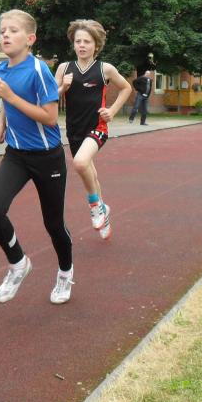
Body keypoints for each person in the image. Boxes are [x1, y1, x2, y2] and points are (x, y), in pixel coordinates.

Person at [0, 9, 74, 305]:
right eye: (2, 31)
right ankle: (18, 263)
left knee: (54, 224)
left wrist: (11, 97)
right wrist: (1, 122)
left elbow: (50, 117)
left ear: (30, 39)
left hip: (48, 157)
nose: (5, 35)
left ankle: (65, 273)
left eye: (13, 30)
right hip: (16, 155)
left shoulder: (39, 71)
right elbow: (3, 100)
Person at [55, 20, 132, 240]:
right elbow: (48, 98)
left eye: (86, 41)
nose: (81, 45)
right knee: (91, 173)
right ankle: (104, 211)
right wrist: (63, 87)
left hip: (97, 127)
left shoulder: (105, 69)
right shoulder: (63, 68)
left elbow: (126, 87)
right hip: (74, 130)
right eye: (78, 41)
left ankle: (95, 205)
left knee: (80, 163)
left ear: (96, 45)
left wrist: (112, 111)